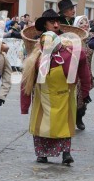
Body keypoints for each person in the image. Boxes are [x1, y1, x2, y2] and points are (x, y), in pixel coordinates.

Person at [22, 29, 90, 165]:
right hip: (43, 98)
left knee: (64, 126)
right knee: (42, 127)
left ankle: (66, 154)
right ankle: (42, 154)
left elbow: (85, 74)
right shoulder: (36, 58)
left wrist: (85, 92)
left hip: (65, 96)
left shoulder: (74, 54)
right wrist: (25, 105)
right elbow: (26, 82)